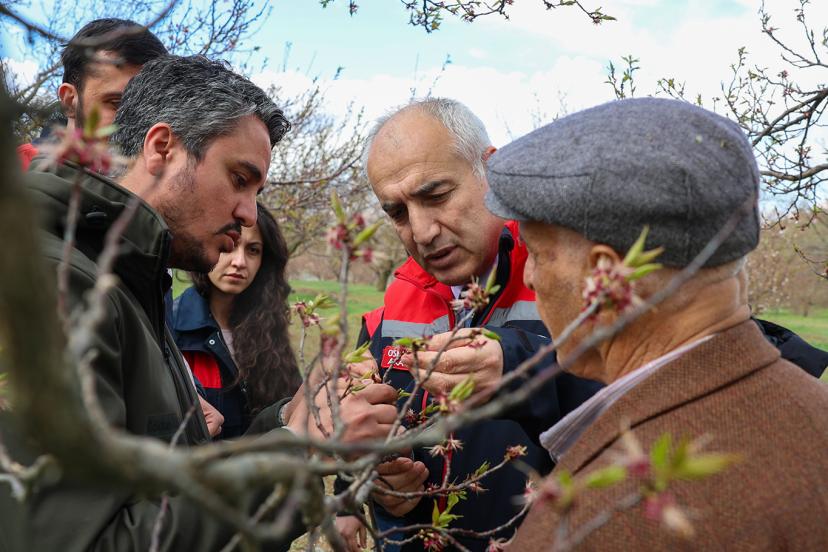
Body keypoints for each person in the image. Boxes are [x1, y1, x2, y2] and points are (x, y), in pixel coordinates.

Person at [0, 55, 399, 551]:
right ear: (162, 148)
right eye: (239, 179)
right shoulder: (59, 286)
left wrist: (289, 419)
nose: (249, 214)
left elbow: (168, 485)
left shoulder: (135, 280)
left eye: (257, 190)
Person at [483, 97, 828, 549]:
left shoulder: (599, 520)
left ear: (605, 279)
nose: (529, 276)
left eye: (538, 253)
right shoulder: (813, 412)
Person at [335, 98, 602, 551]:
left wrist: (522, 367)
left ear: (491, 171)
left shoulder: (572, 277)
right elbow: (367, 435)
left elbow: (639, 405)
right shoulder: (393, 305)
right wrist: (374, 484)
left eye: (436, 195)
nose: (422, 231)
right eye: (398, 212)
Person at [172, 203, 302, 439]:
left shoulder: (268, 330)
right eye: (230, 245)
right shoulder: (171, 328)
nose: (240, 261)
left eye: (253, 250)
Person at [17, 18, 168, 169]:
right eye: (117, 104)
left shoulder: (159, 177)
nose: (136, 123)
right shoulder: (16, 170)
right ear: (69, 101)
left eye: (149, 110)